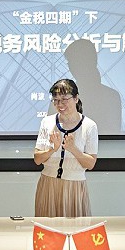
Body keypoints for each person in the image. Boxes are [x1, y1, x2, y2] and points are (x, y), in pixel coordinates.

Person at [33, 78, 100, 217]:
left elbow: (90, 163)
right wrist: (53, 149)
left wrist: (73, 149)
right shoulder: (47, 122)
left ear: (76, 98)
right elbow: (37, 159)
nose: (59, 104)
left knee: (75, 227)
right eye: (56, 100)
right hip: (48, 183)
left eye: (64, 99)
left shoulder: (89, 126)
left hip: (74, 186)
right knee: (47, 228)